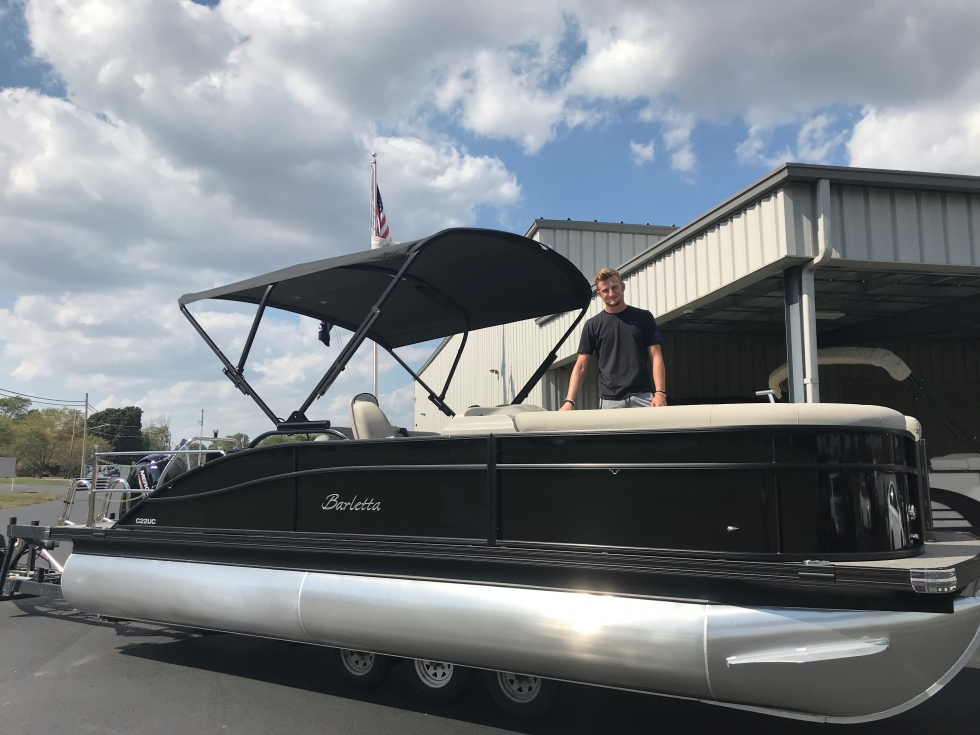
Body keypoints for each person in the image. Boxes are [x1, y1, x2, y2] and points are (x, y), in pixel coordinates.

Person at [560, 267, 666, 410]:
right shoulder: (592, 325)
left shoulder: (644, 318)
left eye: (614, 287)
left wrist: (660, 393)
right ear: (599, 294)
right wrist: (569, 401)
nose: (611, 293)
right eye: (605, 290)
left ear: (623, 287)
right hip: (610, 401)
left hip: (643, 396)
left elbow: (656, 355)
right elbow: (581, 366)